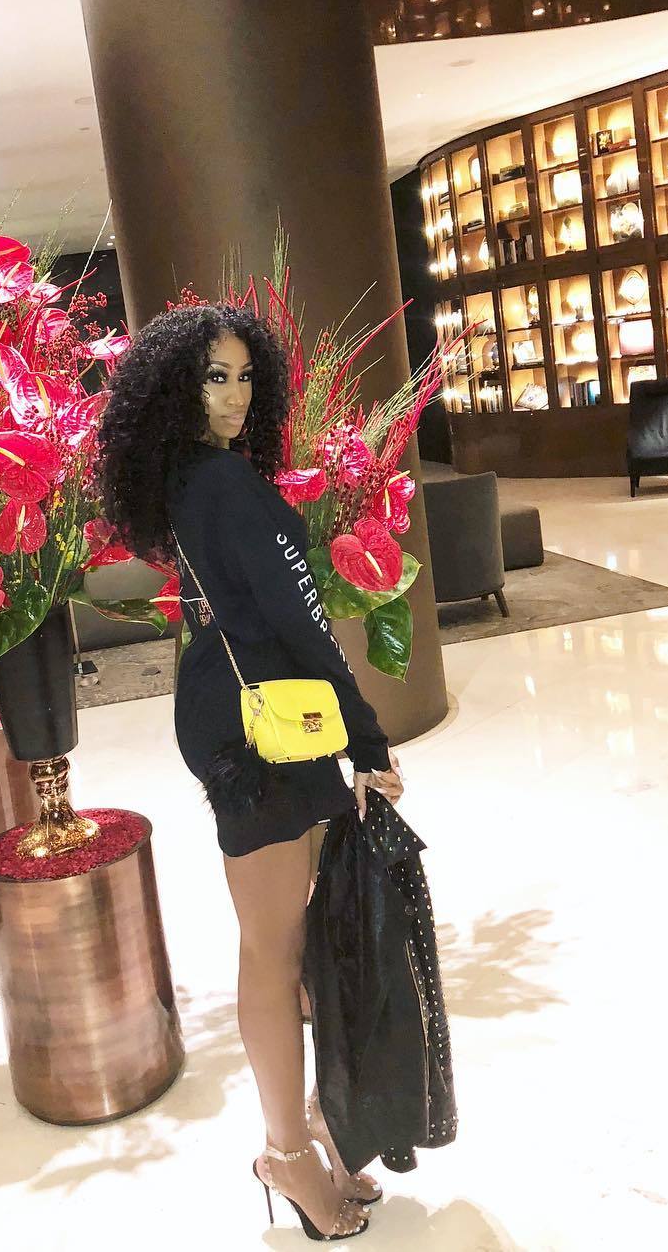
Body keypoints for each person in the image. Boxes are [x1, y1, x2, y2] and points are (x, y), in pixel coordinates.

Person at [94, 302, 405, 1241]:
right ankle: (288, 1154)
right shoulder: (223, 481)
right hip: (258, 722)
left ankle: (316, 1123)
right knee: (272, 949)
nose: (234, 396)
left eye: (244, 376)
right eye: (212, 377)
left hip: (254, 707)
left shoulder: (191, 478)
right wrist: (368, 738)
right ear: (173, 390)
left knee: (288, 938)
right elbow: (302, 622)